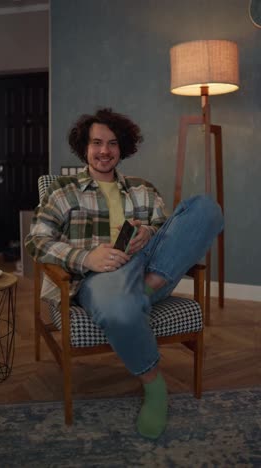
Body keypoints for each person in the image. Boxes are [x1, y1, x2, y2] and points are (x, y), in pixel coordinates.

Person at [25, 108, 223, 439]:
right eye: (97, 143)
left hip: (151, 265)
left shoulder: (142, 188)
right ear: (84, 148)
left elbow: (170, 232)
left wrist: (148, 230)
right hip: (100, 277)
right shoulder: (63, 191)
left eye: (113, 143)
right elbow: (37, 239)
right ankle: (154, 386)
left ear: (123, 147)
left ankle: (147, 288)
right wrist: (87, 257)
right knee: (117, 306)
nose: (105, 151)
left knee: (206, 207)